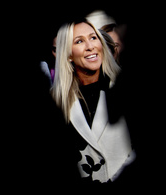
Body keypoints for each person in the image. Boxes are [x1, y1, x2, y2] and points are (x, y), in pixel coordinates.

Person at [52, 20, 135, 186]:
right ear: (68, 54)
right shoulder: (56, 101)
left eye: (93, 38)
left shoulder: (126, 89)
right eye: (79, 41)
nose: (90, 46)